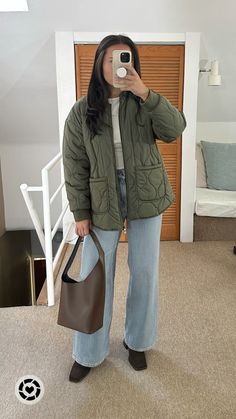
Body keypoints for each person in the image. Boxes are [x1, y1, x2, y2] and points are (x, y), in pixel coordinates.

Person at [62, 34, 186, 383]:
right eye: (110, 58)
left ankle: (138, 342)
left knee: (144, 271)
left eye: (124, 58)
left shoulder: (144, 101)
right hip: (102, 197)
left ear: (131, 62)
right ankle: (88, 352)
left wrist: (145, 92)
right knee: (94, 275)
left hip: (146, 193)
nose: (117, 65)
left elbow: (175, 129)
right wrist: (80, 213)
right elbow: (74, 166)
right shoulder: (80, 111)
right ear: (100, 63)